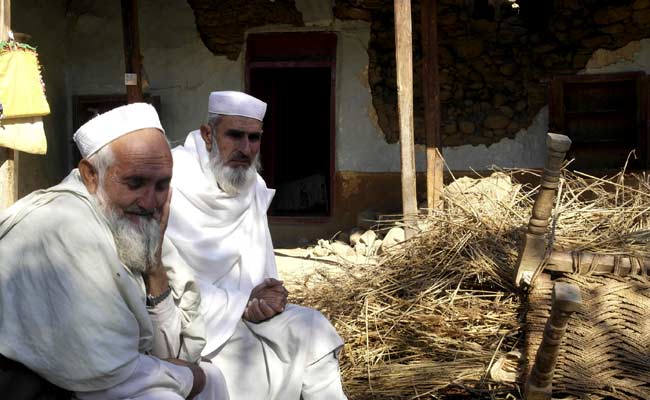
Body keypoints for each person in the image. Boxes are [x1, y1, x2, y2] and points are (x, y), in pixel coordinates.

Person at [0, 103, 228, 400]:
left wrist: (154, 267)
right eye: (136, 183)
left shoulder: (131, 221)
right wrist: (186, 377)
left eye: (162, 185)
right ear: (91, 175)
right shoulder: (61, 227)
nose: (149, 201)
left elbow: (169, 350)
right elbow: (105, 372)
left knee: (212, 376)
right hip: (39, 389)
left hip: (107, 378)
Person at [163, 91, 347, 399]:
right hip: (194, 323)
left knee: (312, 328)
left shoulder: (252, 185)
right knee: (241, 366)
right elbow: (168, 280)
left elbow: (259, 272)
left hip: (245, 311)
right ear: (208, 135)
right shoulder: (171, 182)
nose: (246, 149)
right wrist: (240, 303)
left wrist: (268, 297)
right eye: (234, 135)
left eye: (254, 138)